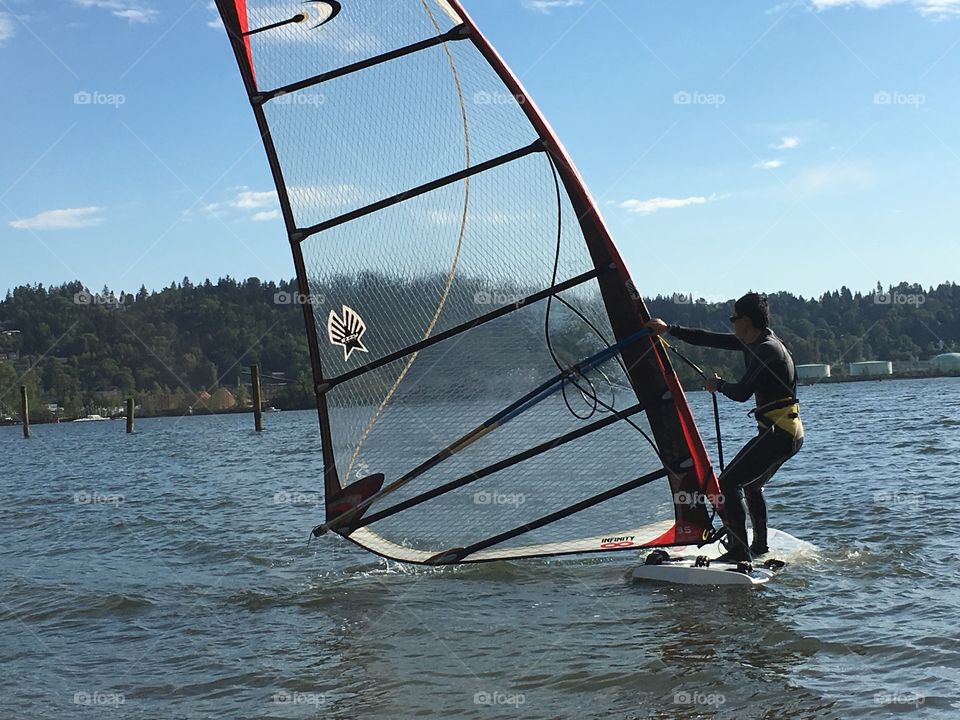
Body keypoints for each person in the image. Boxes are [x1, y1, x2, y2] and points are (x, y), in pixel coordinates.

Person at [646, 292, 804, 562]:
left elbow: (742, 393)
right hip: (786, 432)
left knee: (729, 482)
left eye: (734, 319)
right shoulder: (756, 342)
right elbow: (711, 339)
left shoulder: (768, 349)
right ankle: (759, 546)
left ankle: (739, 550)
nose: (731, 324)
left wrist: (717, 384)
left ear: (746, 320)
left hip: (780, 433)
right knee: (751, 485)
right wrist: (669, 330)